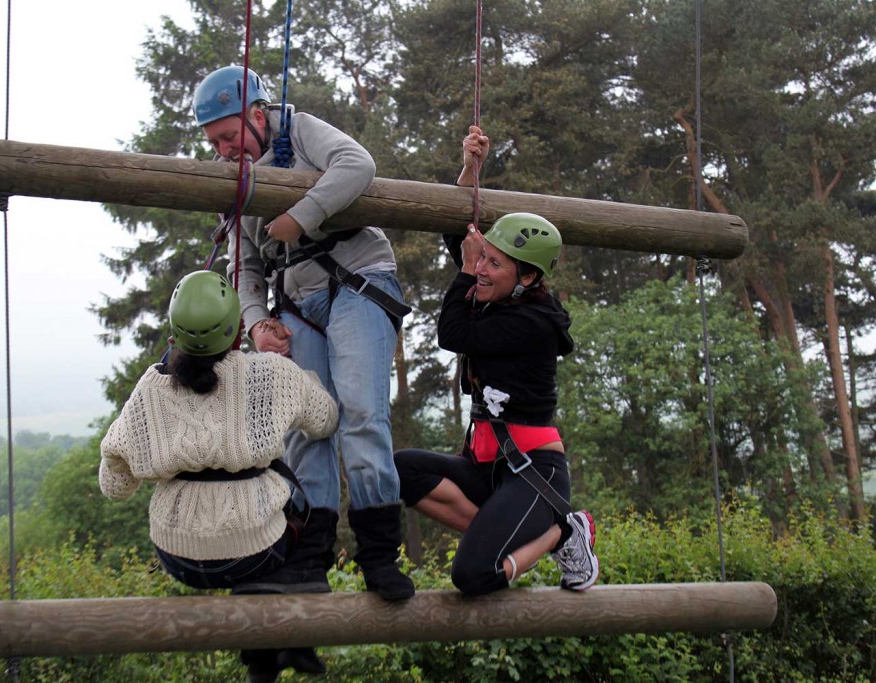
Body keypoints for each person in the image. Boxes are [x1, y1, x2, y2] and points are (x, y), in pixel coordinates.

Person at [190, 65, 415, 602]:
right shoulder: (237, 182)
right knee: (307, 425)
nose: (224, 149)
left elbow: (357, 163)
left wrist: (303, 213)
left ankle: (379, 556)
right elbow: (242, 265)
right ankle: (309, 559)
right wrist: (255, 323)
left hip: (357, 279)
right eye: (215, 142)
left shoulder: (301, 131)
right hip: (296, 298)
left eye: (229, 136)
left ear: (258, 115)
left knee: (361, 412)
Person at [99, 270, 339, 682]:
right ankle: (288, 634)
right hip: (256, 553)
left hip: (178, 556)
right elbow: (326, 420)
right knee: (305, 509)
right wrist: (303, 382)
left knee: (271, 517)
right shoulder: (271, 374)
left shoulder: (150, 389)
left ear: (174, 334)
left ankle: (268, 653)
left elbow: (114, 486)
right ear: (239, 330)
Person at [392, 126, 600, 596]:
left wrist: (466, 271)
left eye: (493, 264)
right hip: (489, 468)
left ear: (526, 276)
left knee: (473, 575)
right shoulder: (497, 295)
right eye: (481, 258)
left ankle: (561, 532)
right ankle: (502, 532)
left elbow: (452, 334)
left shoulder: (533, 322)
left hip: (533, 471)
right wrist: (471, 168)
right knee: (398, 469)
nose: (481, 269)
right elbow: (453, 225)